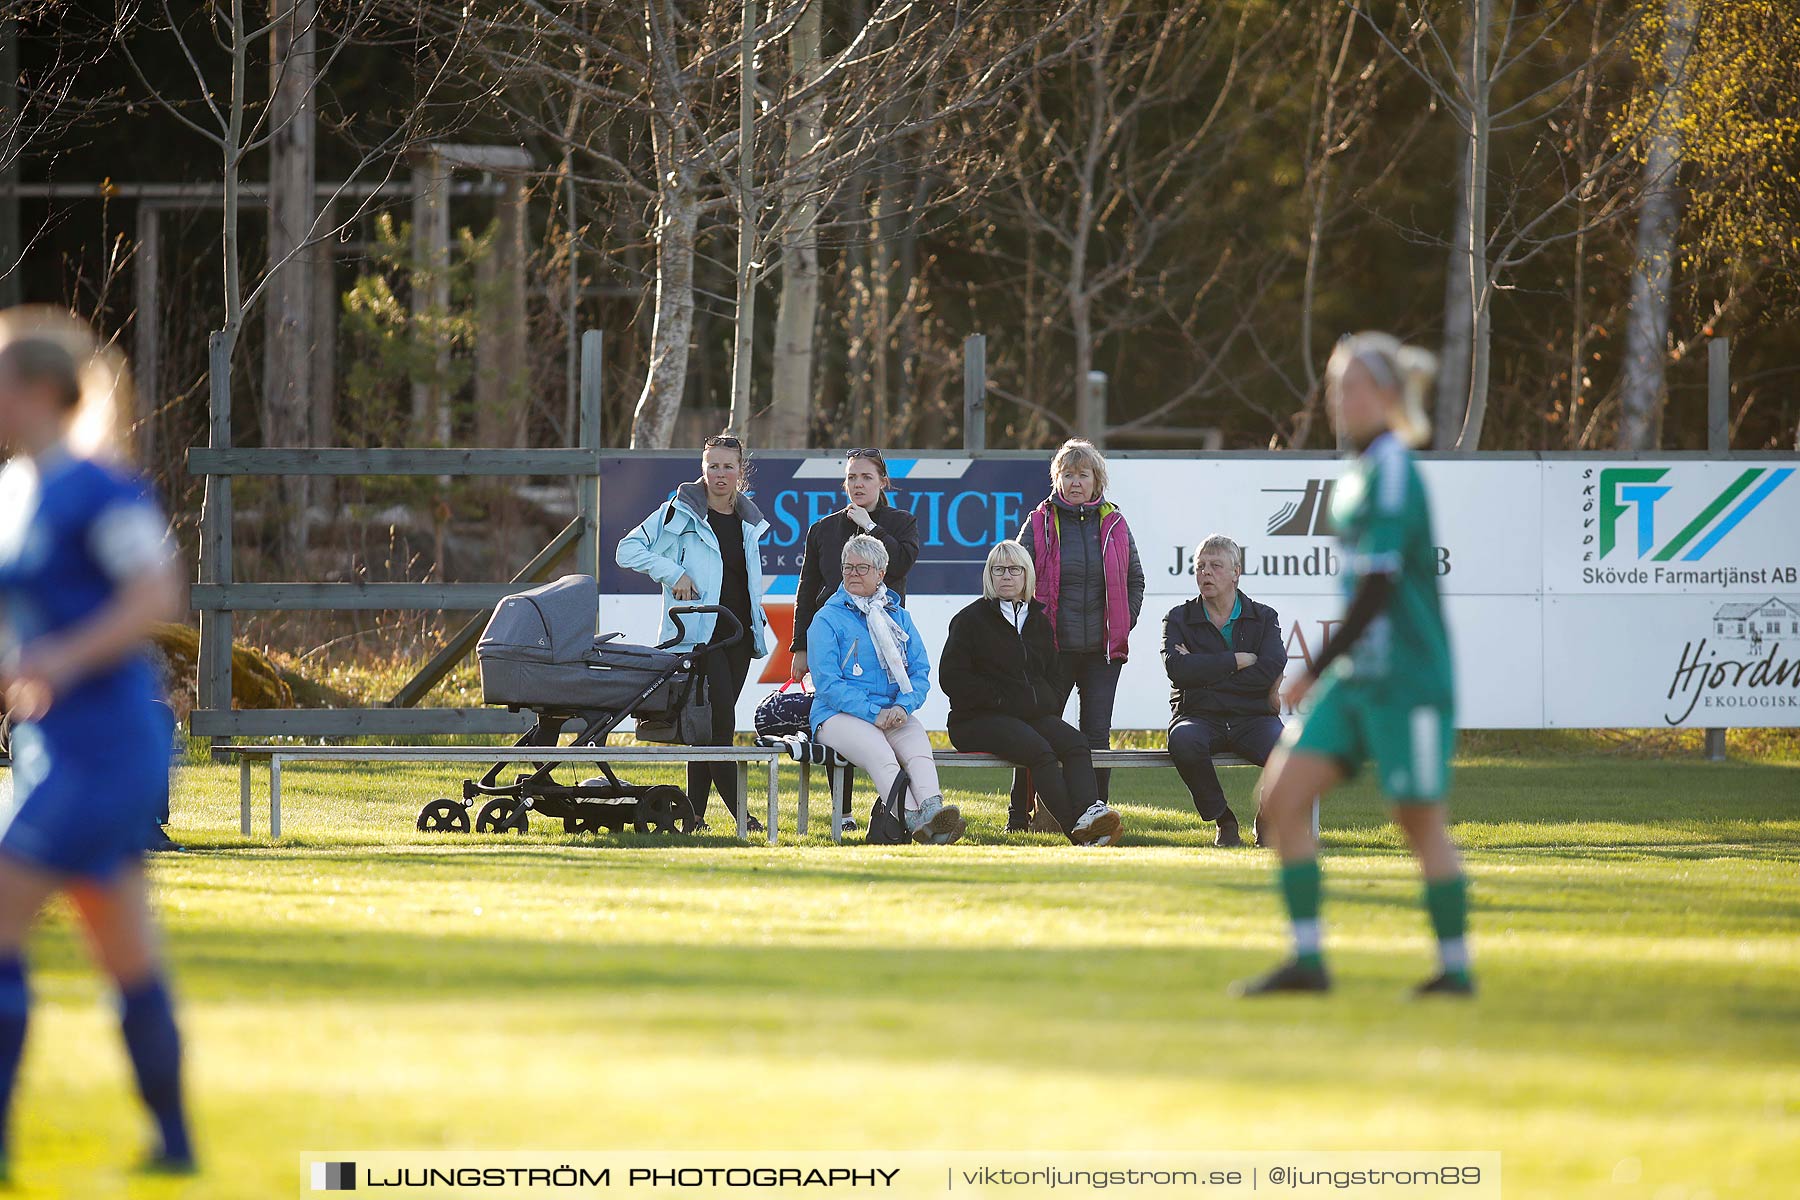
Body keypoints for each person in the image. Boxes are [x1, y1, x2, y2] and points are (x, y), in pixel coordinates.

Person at [0, 308, 194, 1175]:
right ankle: (175, 1147)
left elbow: (156, 593)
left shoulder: (100, 488)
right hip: (52, 746)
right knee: (122, 949)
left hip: (107, 747)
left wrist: (63, 660)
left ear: (39, 390)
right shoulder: (16, 492)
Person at [1235, 332, 1471, 998]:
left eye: (1354, 387)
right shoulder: (1358, 474)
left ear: (1389, 397)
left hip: (1408, 681)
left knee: (1417, 821)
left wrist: (1314, 666)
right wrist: (1333, 669)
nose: (1341, 400)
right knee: (1281, 800)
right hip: (1357, 680)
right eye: (1335, 387)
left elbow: (1380, 587)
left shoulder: (1395, 468)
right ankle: (1308, 961)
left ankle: (1455, 971)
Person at [616, 433, 773, 833]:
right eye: (712, 466)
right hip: (699, 638)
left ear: (741, 470)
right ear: (702, 469)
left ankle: (694, 817)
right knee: (719, 727)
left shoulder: (749, 520)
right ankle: (743, 816)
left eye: (728, 466)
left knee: (706, 727)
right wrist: (674, 573)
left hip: (738, 637)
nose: (720, 474)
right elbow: (627, 549)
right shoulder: (678, 512)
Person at [940, 542, 1123, 847]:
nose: (1006, 577)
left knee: (1076, 743)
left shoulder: (1037, 620)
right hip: (975, 720)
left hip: (1025, 716)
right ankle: (1079, 834)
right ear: (989, 576)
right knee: (1040, 752)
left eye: (1014, 570)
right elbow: (952, 679)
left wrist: (1042, 702)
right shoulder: (969, 620)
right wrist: (1000, 700)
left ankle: (1090, 813)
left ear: (1027, 576)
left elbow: (1052, 675)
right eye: (999, 570)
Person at [1013, 438, 1144, 831]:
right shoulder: (1038, 522)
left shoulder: (1115, 523)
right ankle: (1020, 815)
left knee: (1096, 735)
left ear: (1095, 480)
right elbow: (1017, 576)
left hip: (1102, 654)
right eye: (1067, 474)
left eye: (1082, 474)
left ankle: (1097, 814)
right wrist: (1033, 633)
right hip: (1051, 652)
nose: (1074, 481)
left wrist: (1122, 621)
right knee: (1036, 729)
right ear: (1057, 479)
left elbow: (1135, 580)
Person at [790, 448, 920, 831]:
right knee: (840, 719)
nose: (857, 484)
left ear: (883, 481)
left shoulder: (901, 522)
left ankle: (890, 811)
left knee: (890, 727)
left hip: (885, 647)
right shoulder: (823, 529)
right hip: (836, 640)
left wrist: (870, 527)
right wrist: (800, 646)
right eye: (851, 478)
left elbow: (899, 564)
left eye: (865, 477)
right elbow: (807, 589)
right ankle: (842, 813)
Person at [807, 535, 963, 844]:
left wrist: (903, 707)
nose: (852, 573)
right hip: (836, 715)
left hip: (891, 711)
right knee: (881, 754)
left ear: (881, 573)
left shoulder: (898, 616)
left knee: (919, 748)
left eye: (862, 568)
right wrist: (873, 713)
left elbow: (919, 673)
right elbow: (827, 683)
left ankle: (933, 813)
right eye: (847, 567)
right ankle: (916, 821)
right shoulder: (827, 618)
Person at [1163, 534, 1288, 847]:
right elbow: (1177, 670)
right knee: (1183, 740)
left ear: (1236, 572)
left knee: (1290, 752)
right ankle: (1224, 821)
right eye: (1200, 566)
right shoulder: (1179, 617)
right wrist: (1236, 661)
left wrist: (1203, 671)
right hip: (1198, 715)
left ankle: (1268, 815)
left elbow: (1270, 668)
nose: (1206, 572)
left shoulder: (1264, 616)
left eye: (1216, 566)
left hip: (1253, 718)